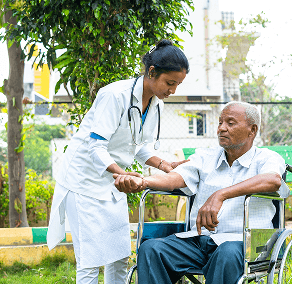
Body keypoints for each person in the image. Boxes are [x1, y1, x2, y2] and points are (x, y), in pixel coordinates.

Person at [46, 39, 190, 284]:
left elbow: (138, 145)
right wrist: (121, 173)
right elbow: (96, 145)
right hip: (84, 184)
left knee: (119, 256)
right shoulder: (114, 95)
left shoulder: (157, 105)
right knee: (90, 262)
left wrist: (165, 165)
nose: (173, 90)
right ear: (152, 72)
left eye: (178, 84)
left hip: (114, 186)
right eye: (170, 82)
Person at [113, 101, 289, 284]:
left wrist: (220, 194)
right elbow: (174, 177)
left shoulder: (266, 158)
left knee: (226, 253)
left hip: (243, 244)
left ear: (252, 130)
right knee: (151, 249)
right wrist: (143, 181)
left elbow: (273, 180)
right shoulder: (205, 157)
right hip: (199, 241)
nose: (221, 128)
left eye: (230, 123)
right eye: (220, 123)